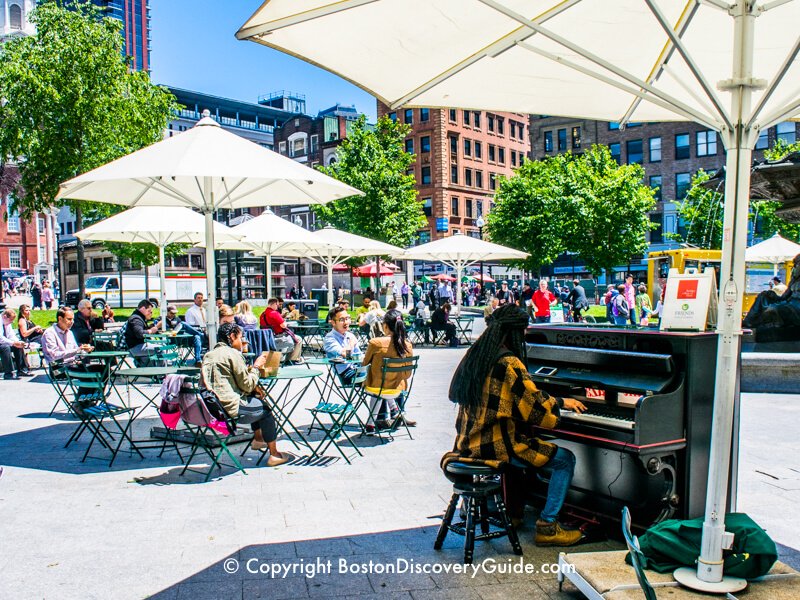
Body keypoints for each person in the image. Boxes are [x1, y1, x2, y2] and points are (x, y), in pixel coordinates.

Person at [443, 304, 587, 546]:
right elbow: (534, 407)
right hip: (494, 446)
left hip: (468, 443)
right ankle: (548, 525)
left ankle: (515, 513)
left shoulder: (478, 354)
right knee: (565, 459)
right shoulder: (509, 363)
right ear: (516, 332)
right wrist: (562, 402)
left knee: (527, 450)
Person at [202, 322, 289, 466]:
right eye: (240, 338)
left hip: (212, 408)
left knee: (255, 399)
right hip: (231, 408)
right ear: (231, 336)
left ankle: (258, 439)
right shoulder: (233, 354)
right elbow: (248, 385)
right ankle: (274, 454)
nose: (242, 342)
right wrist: (256, 367)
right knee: (266, 410)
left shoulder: (209, 355)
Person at [362, 309, 416, 430]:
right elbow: (407, 374)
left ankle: (371, 423)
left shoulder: (375, 342)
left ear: (385, 326)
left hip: (375, 388)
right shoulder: (407, 345)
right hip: (396, 390)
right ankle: (396, 411)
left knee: (379, 388)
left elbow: (364, 364)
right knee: (388, 384)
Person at [323, 305, 364, 385]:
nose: (346, 322)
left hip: (358, 368)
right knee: (376, 378)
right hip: (346, 373)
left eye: (347, 318)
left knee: (386, 374)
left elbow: (359, 355)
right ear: (333, 323)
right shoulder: (330, 339)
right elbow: (346, 355)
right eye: (342, 320)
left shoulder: (350, 335)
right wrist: (351, 343)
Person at [259, 298, 303, 364]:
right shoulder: (274, 313)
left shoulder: (262, 314)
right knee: (298, 339)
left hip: (267, 338)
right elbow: (283, 325)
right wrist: (285, 323)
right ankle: (292, 360)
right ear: (274, 304)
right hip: (279, 337)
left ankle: (288, 360)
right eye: (277, 305)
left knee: (295, 338)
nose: (278, 306)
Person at [1, 309, 32, 379]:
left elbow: (11, 335)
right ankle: (8, 373)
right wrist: (13, 343)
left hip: (4, 342)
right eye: (11, 320)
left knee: (18, 346)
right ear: (5, 316)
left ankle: (21, 369)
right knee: (5, 348)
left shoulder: (6, 322)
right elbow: (1, 338)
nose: (11, 322)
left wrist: (18, 342)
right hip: (2, 343)